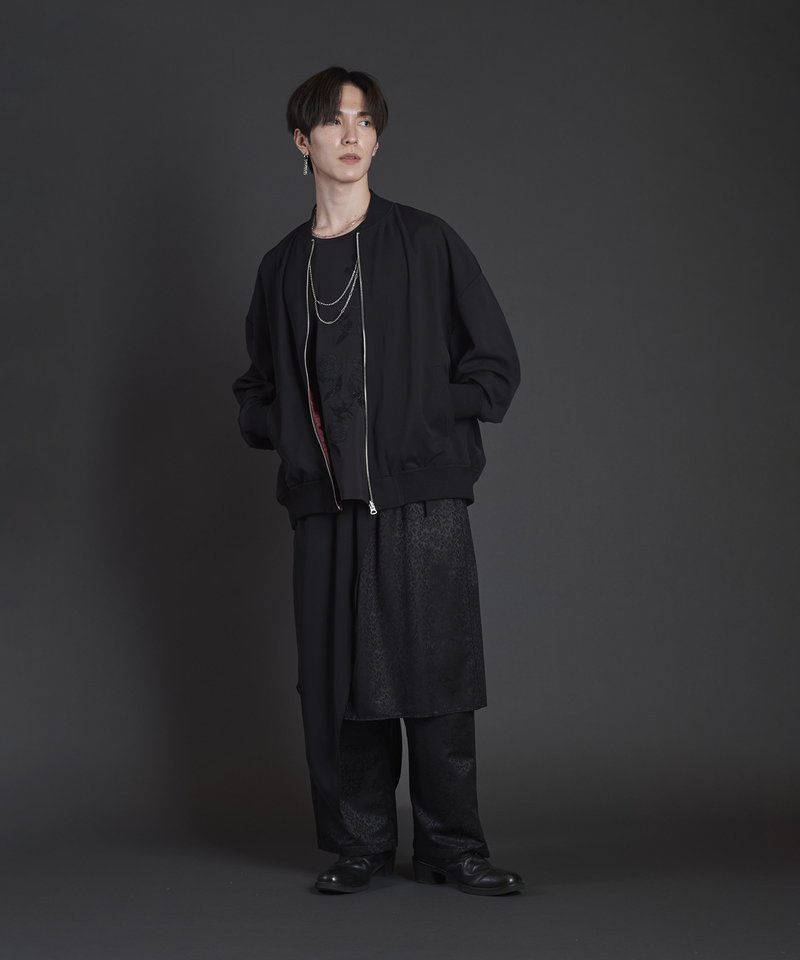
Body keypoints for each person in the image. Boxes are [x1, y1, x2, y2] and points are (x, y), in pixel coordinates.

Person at [232, 66, 523, 896]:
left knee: (437, 677)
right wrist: (292, 438)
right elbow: (254, 392)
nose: (352, 134)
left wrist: (423, 415)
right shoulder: (282, 268)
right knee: (339, 683)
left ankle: (452, 849)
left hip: (421, 497)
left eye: (364, 120)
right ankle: (358, 844)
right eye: (334, 121)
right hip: (325, 509)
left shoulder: (426, 242)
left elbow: (495, 368)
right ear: (303, 141)